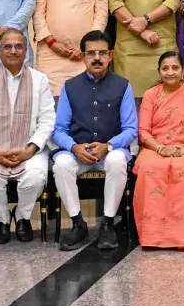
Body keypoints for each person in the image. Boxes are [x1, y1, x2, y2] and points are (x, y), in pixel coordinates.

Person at [0, 29, 56, 244]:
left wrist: (30, 149)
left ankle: (22, 216)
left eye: (19, 46)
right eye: (7, 46)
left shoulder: (40, 80)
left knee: (35, 179)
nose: (13, 51)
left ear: (26, 51)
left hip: (29, 150)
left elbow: (47, 119)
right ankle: (4, 218)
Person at [52, 30, 138, 251]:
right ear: (83, 56)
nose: (96, 58)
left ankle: (107, 223)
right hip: (78, 152)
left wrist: (108, 146)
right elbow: (59, 130)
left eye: (102, 53)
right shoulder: (70, 87)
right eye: (91, 53)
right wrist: (74, 147)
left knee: (118, 160)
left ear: (110, 55)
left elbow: (130, 129)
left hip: (110, 151)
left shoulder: (123, 85)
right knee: (61, 164)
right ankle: (77, 223)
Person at [133, 51, 184, 250]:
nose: (170, 72)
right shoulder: (150, 95)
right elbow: (143, 131)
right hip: (156, 148)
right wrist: (160, 148)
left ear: (183, 71)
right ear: (159, 72)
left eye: (175, 68)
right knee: (149, 168)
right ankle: (152, 236)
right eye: (165, 68)